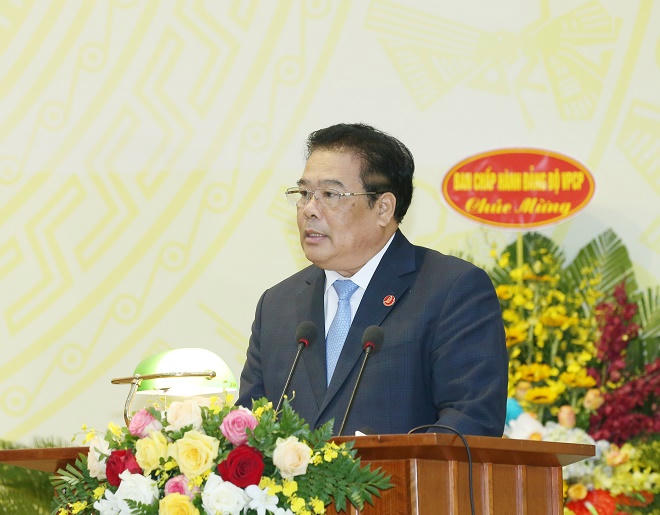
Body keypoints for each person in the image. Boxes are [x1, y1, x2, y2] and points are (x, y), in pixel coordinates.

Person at [237, 123, 508, 436]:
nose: (309, 209)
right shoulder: (277, 306)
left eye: (330, 194)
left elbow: (471, 421)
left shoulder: (452, 290)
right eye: (304, 194)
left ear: (383, 208)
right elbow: (248, 427)